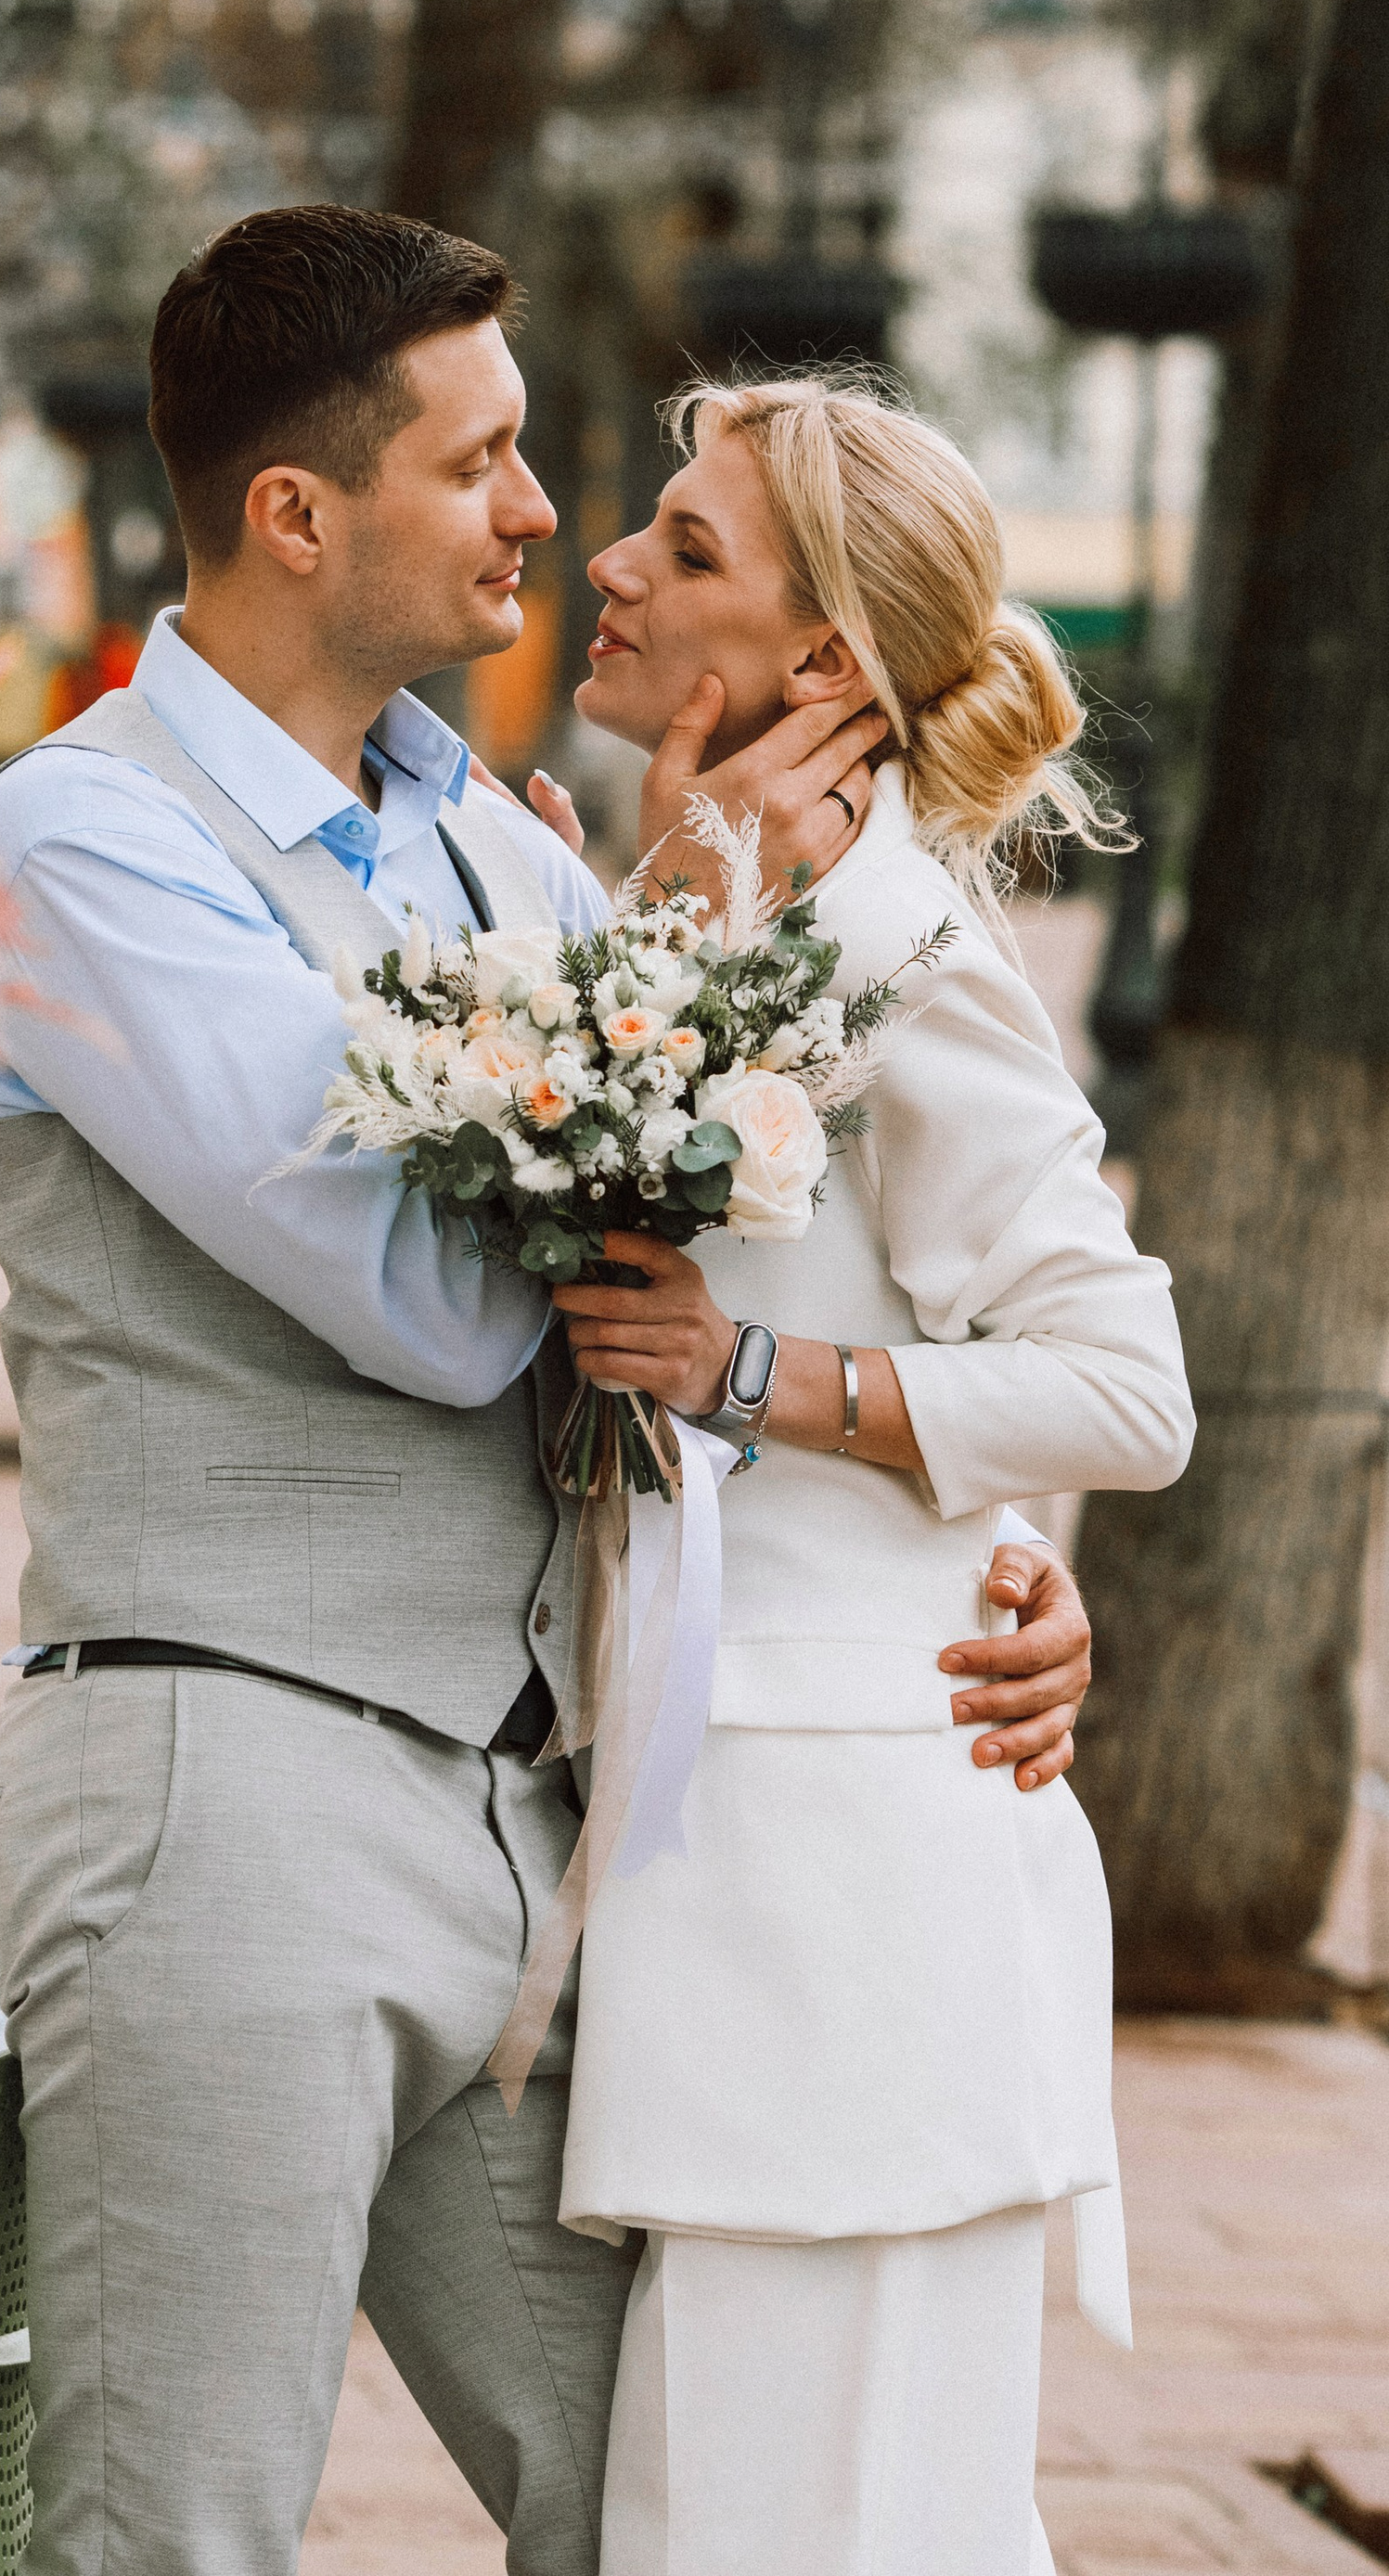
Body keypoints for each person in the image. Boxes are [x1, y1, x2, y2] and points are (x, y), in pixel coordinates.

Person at [0, 209, 1096, 2576]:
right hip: (217, 1786)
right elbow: (433, 1295)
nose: (540, 515)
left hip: (535, 1845)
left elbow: (755, 1245)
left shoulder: (497, 845)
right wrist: (687, 979)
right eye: (481, 461)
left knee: (660, 2511)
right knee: (175, 2534)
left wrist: (989, 1567)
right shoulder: (76, 850)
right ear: (295, 511)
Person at [542, 375, 1192, 2576]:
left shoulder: (908, 954)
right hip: (714, 1856)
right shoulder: (710, 913)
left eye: (684, 547)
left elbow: (1124, 1384)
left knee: (814, 2522)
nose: (613, 566)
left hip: (833, 1886)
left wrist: (756, 1379)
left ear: (824, 665)